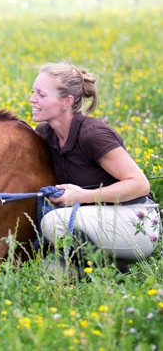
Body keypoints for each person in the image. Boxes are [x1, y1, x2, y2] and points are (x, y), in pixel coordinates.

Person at [29, 61, 160, 275]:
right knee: (47, 278)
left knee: (54, 222)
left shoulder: (93, 134)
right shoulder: (45, 132)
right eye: (33, 92)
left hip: (137, 222)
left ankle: (112, 275)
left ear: (66, 101)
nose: (32, 99)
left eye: (41, 94)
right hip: (92, 224)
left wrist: (83, 196)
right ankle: (105, 265)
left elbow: (140, 185)